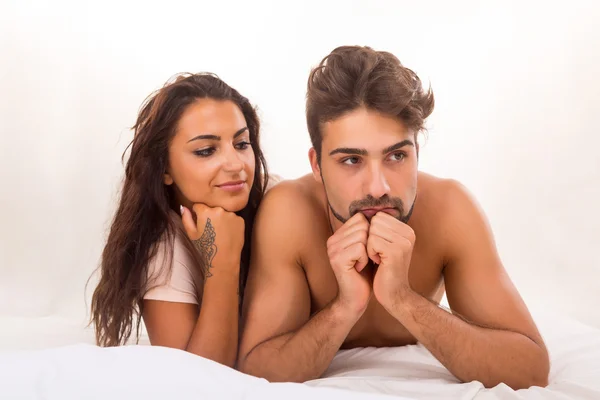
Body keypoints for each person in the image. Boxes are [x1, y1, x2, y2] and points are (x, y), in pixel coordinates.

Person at [237, 46, 550, 389]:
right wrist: (344, 307)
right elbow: (257, 369)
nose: (379, 186)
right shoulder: (289, 213)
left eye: (396, 156)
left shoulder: (451, 210)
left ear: (417, 152)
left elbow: (530, 370)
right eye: (351, 160)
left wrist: (402, 299)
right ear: (316, 165)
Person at [89, 73, 272, 368]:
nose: (236, 164)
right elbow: (199, 375)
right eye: (206, 151)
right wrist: (221, 261)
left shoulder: (278, 200)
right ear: (164, 169)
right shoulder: (163, 250)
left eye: (241, 144)